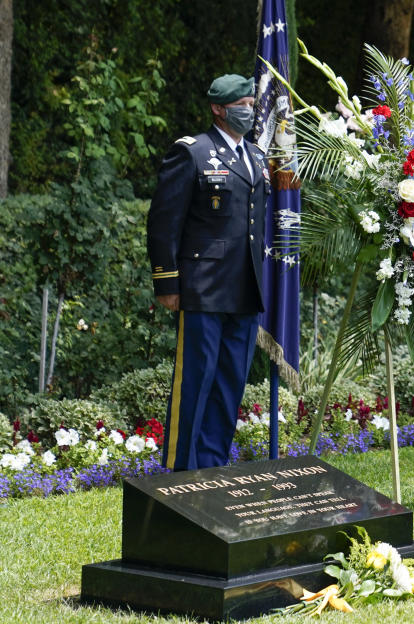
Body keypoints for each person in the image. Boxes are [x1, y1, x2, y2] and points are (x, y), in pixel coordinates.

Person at [147, 74, 271, 471]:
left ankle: (213, 465)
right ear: (218, 108)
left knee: (229, 384)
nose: (249, 111)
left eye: (252, 104)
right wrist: (167, 281)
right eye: (241, 104)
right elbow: (164, 221)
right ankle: (181, 471)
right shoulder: (192, 152)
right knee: (195, 384)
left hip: (245, 288)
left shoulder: (255, 157)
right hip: (202, 288)